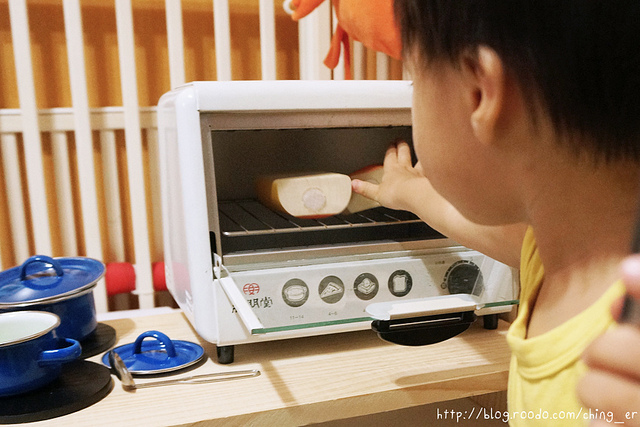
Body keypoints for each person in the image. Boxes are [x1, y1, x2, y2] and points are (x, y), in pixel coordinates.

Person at [351, 1, 640, 425]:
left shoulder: (628, 354)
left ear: (480, 93)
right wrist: (408, 190)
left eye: (414, 81)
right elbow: (465, 221)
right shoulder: (556, 250)